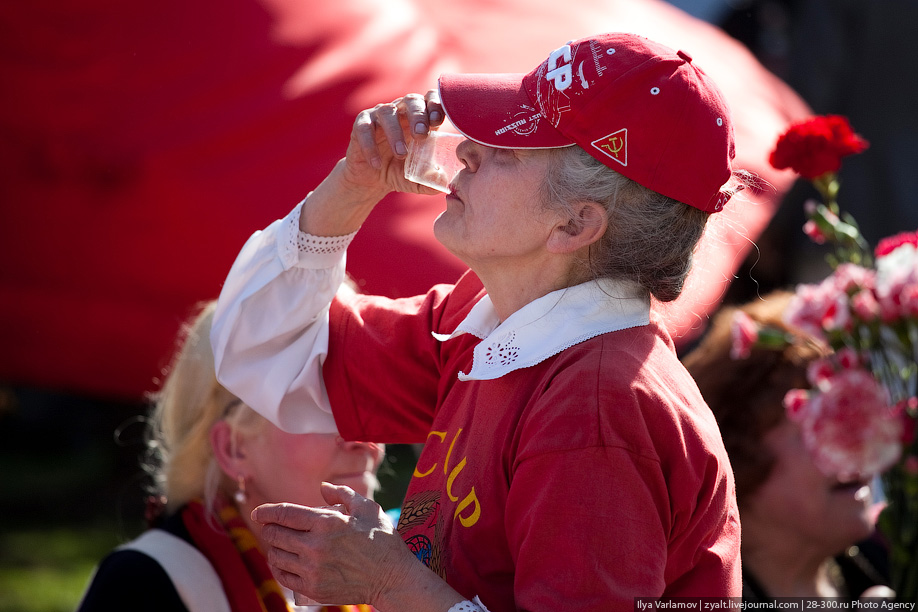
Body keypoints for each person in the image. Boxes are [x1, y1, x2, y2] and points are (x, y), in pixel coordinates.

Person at [211, 32, 743, 610]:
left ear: (574, 225)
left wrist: (391, 583)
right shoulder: (491, 321)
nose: (467, 150)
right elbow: (263, 352)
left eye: (509, 148)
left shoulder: (597, 404)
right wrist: (352, 184)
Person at [77, 300, 385, 612]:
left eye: (365, 400)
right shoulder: (141, 584)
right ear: (233, 449)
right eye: (320, 408)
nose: (364, 440)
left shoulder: (389, 583)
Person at [682, 291, 894, 600]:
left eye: (855, 418)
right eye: (823, 422)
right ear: (738, 449)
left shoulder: (890, 565)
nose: (855, 442)